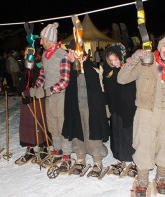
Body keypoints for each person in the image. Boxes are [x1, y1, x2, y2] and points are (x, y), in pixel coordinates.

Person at [117, 33, 165, 196]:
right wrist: (133, 59)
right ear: (159, 47)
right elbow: (121, 79)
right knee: (144, 144)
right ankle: (143, 178)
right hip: (146, 111)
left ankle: (161, 177)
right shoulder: (146, 62)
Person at [61, 40, 110, 176]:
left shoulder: (90, 68)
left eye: (71, 52)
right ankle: (80, 157)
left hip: (90, 109)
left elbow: (99, 92)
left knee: (92, 133)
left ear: (78, 53)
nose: (68, 55)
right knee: (77, 133)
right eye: (68, 52)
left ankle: (97, 160)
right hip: (75, 108)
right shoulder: (70, 69)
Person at [30, 22, 72, 171]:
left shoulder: (62, 55)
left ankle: (67, 153)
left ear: (48, 39)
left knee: (62, 124)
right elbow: (43, 74)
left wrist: (47, 91)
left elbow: (65, 80)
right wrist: (37, 86)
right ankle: (58, 149)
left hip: (60, 96)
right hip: (49, 96)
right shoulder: (46, 56)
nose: (40, 42)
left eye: (42, 39)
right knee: (52, 124)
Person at [102, 43, 136, 169]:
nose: (114, 63)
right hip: (115, 107)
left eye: (116, 59)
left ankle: (129, 154)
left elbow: (132, 88)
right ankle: (118, 153)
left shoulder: (128, 69)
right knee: (117, 130)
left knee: (128, 131)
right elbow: (107, 89)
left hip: (128, 106)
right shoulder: (108, 70)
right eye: (111, 60)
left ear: (121, 57)